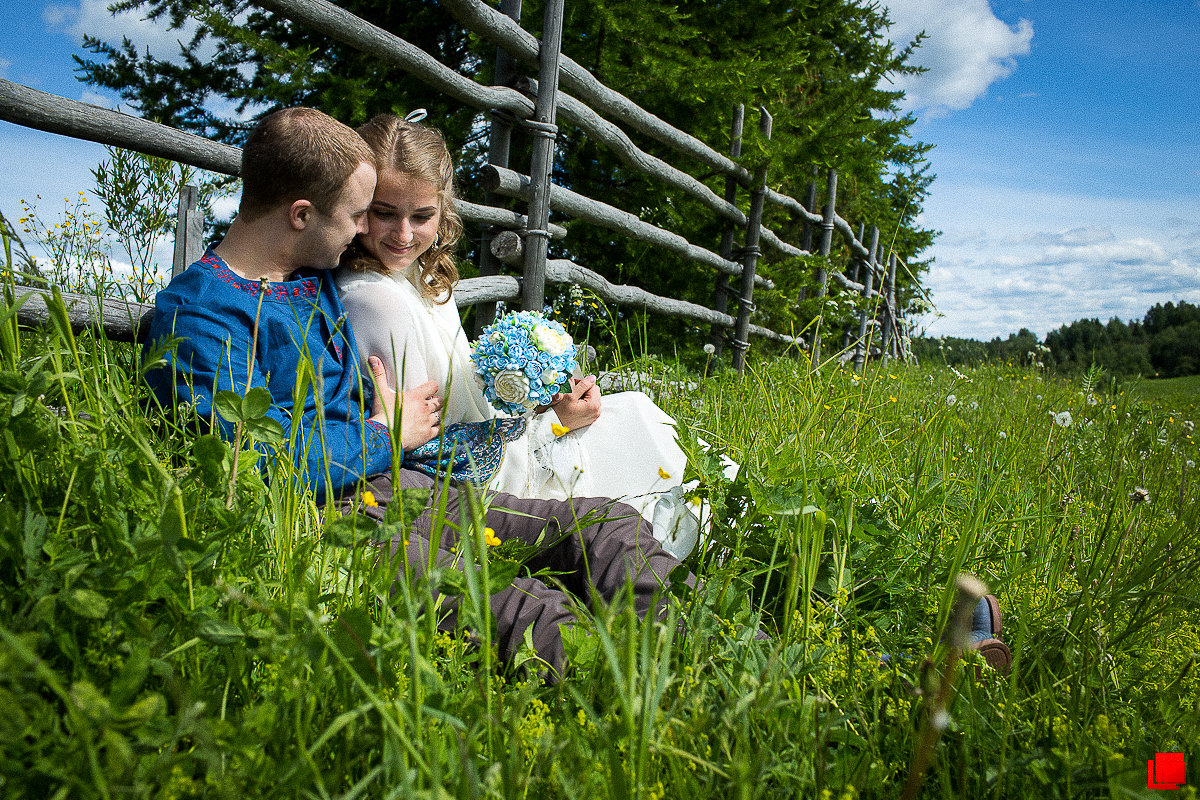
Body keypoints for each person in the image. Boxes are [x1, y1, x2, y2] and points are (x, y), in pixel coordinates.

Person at [143, 107, 690, 682]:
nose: (364, 232)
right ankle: (662, 693)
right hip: (327, 518)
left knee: (608, 525)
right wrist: (381, 433)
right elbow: (244, 466)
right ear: (301, 215)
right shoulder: (204, 316)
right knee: (521, 609)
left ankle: (716, 640)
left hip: (405, 485)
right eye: (360, 214)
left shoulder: (307, 278)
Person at [335, 113, 703, 559]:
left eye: (422, 215)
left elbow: (459, 398)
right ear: (357, 206)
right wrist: (551, 426)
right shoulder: (375, 300)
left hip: (494, 447)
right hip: (476, 488)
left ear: (443, 210)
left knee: (637, 413)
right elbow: (425, 453)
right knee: (640, 445)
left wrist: (536, 394)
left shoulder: (421, 276)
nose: (404, 233)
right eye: (384, 213)